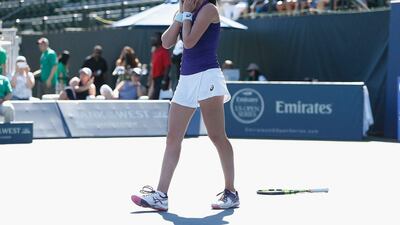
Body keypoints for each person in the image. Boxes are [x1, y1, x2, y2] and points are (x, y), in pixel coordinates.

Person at [131, 0, 239, 211]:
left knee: (217, 136)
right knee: (173, 136)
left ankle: (231, 192)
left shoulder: (209, 9)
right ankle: (161, 195)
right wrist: (180, 16)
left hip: (208, 76)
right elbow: (166, 42)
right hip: (186, 79)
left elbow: (188, 42)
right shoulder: (183, 8)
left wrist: (187, 15)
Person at [149, 32, 171, 100]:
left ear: (160, 40)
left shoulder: (164, 51)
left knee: (156, 99)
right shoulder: (155, 51)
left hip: (161, 79)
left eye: (155, 38)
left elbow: (168, 66)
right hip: (155, 80)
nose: (153, 39)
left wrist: (164, 80)